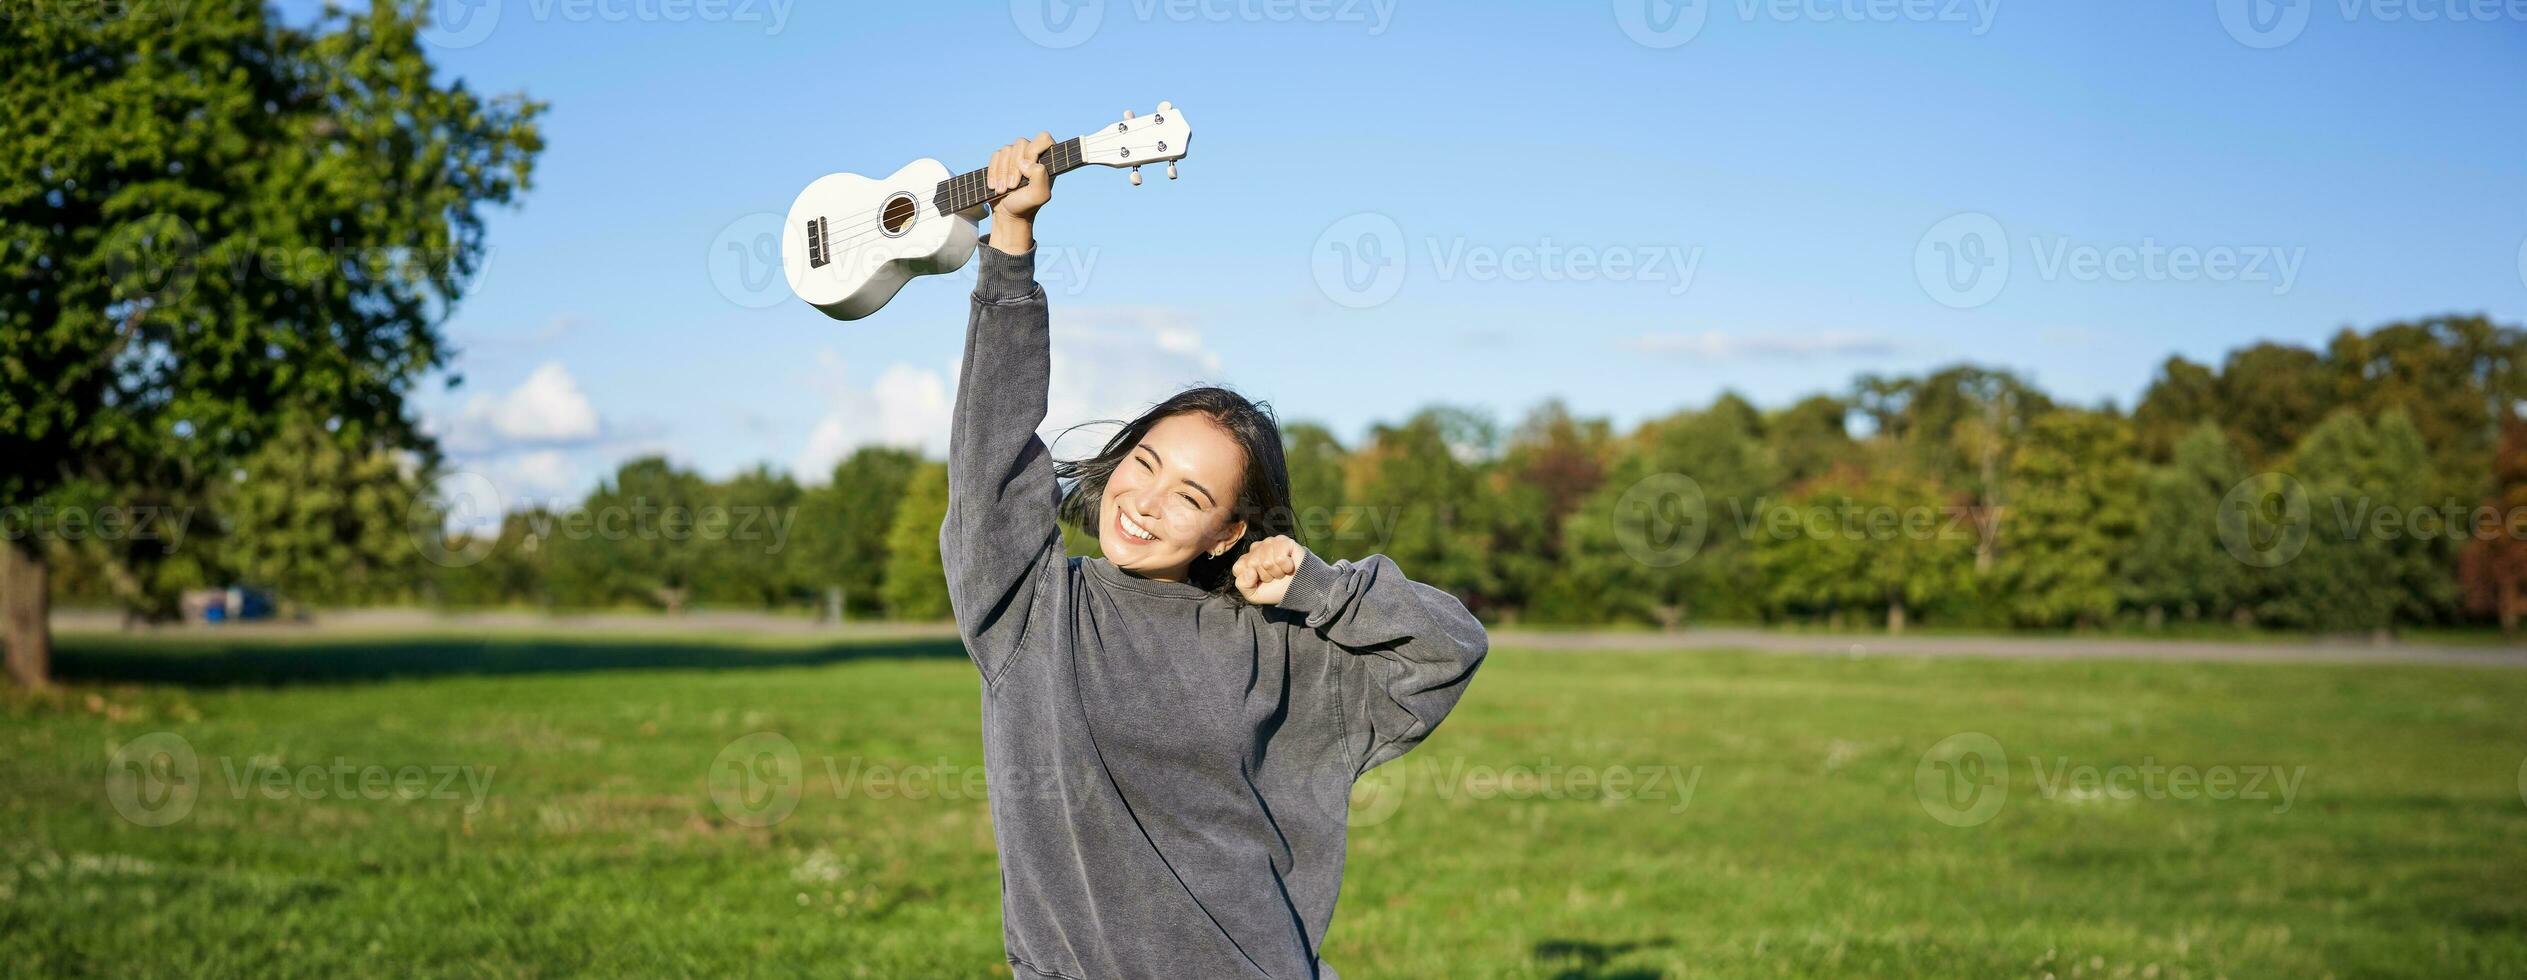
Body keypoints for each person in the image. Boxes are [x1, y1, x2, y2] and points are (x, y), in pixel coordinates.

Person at [942, 132, 1490, 980]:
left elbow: (1448, 649)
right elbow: (989, 459)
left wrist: (1323, 591)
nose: (1148, 502)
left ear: (1230, 531)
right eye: (1146, 465)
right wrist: (1009, 248)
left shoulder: (1275, 647)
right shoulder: (1031, 612)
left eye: (1192, 498)